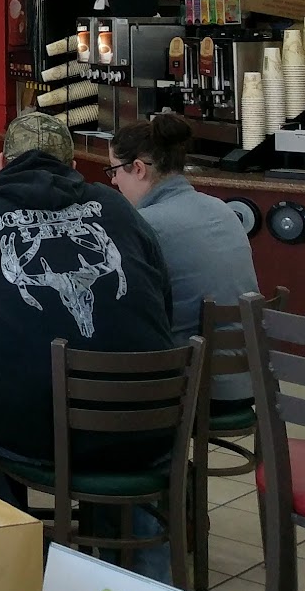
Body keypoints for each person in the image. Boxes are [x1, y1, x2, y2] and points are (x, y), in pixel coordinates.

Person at [0, 109, 175, 492]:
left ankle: (4, 522)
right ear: (73, 166)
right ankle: (121, 523)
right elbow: (163, 304)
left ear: (2, 163)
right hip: (150, 422)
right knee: (118, 448)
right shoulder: (119, 207)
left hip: (37, 430)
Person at [108, 112, 259, 410]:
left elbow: (125, 310)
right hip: (250, 380)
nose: (113, 181)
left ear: (138, 168)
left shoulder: (144, 224)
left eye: (113, 171)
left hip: (194, 388)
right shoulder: (222, 209)